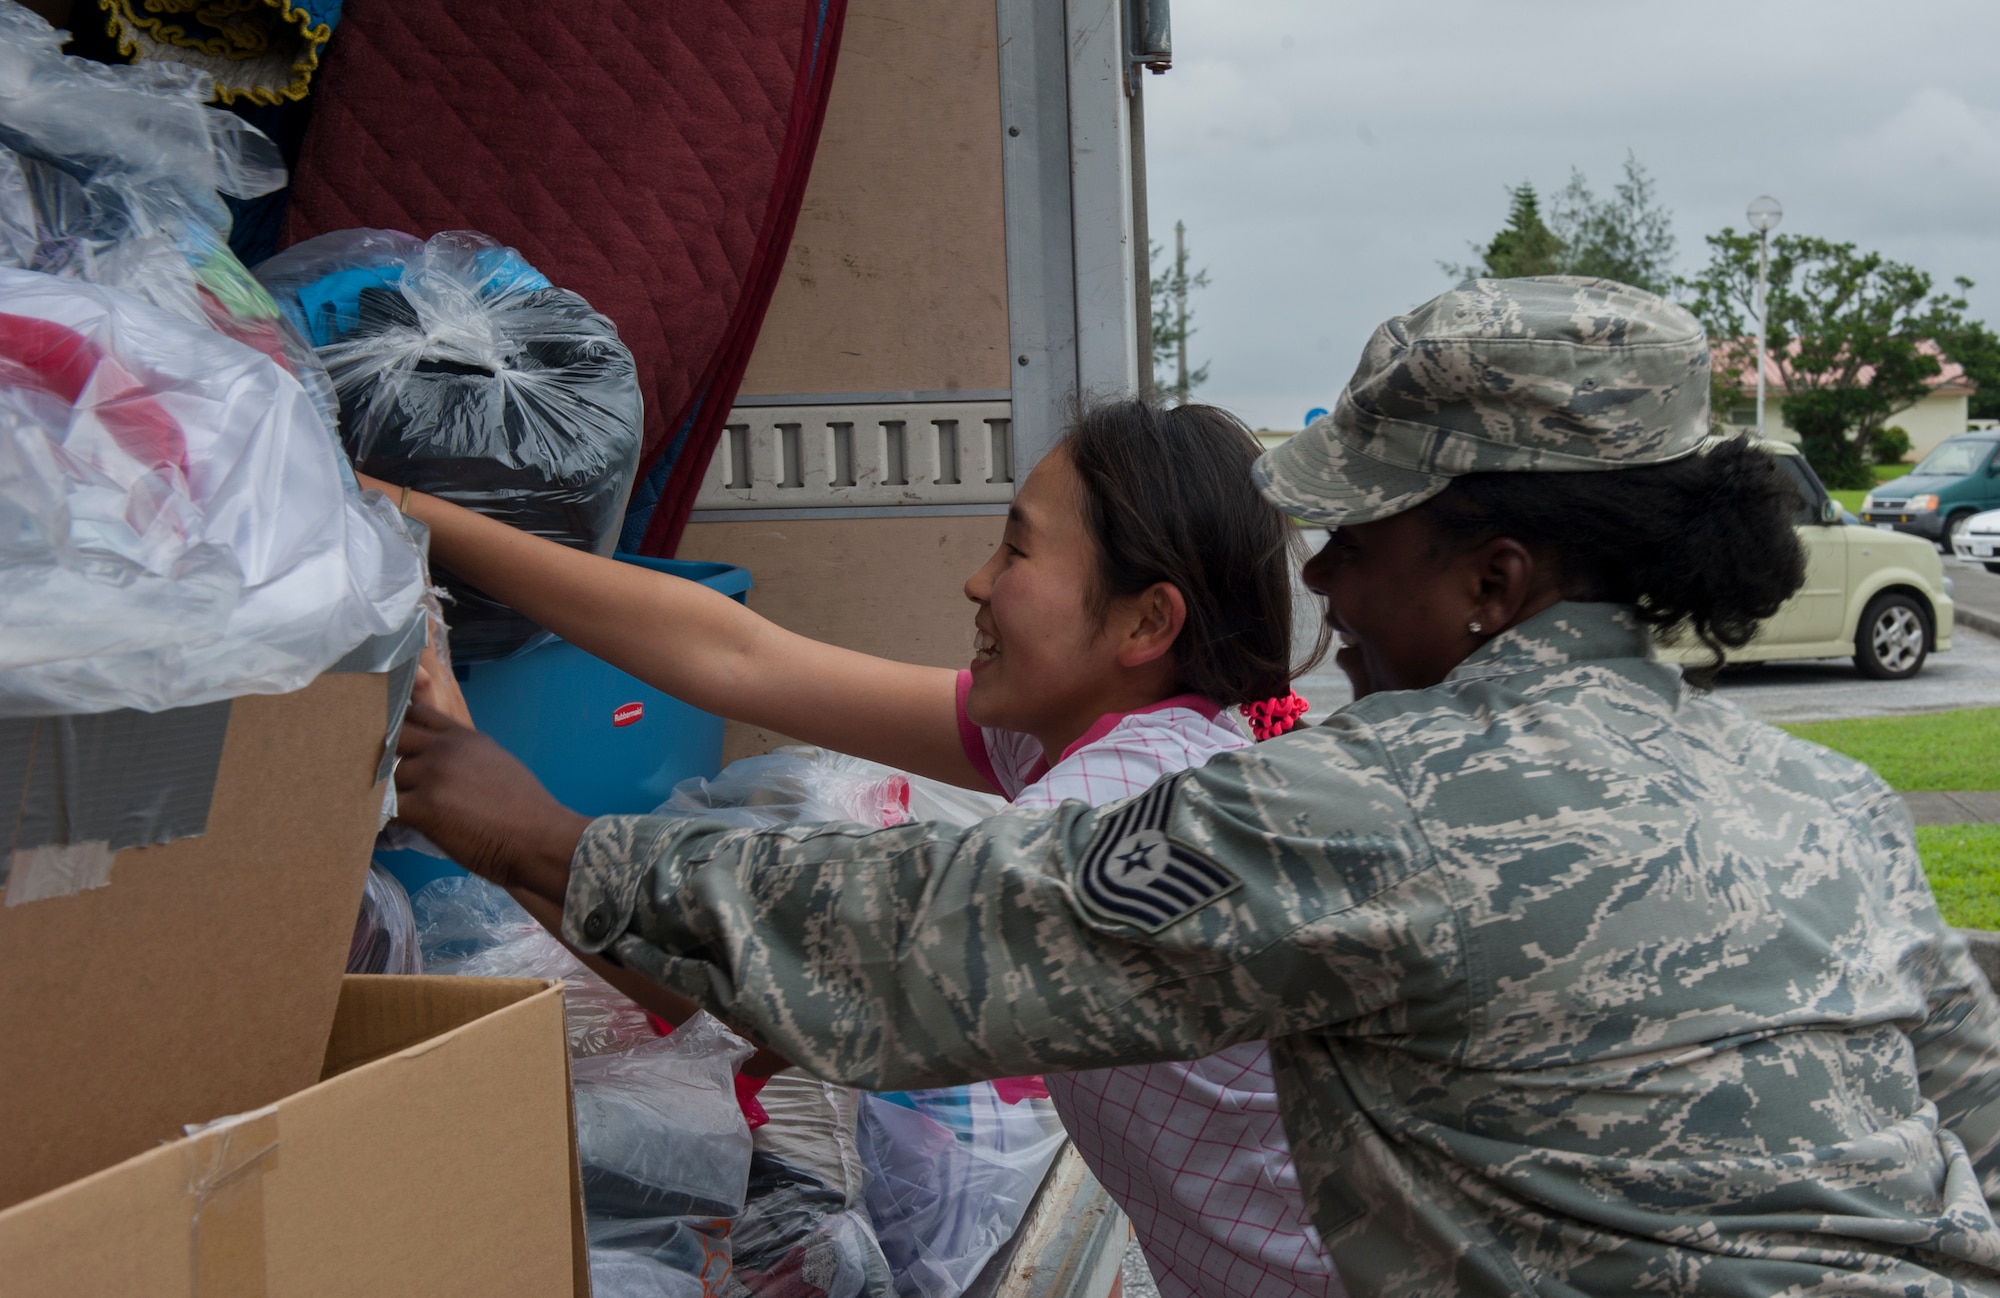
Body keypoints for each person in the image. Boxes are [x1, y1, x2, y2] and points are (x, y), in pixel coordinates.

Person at [393, 276, 2000, 1296]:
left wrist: (519, 821)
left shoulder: (1366, 806)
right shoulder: (1827, 797)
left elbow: (918, 944)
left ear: (1494, 579)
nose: (1330, 581)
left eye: (1360, 537)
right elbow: (1978, 1122)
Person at [372, 401, 1346, 1297]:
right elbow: (740, 657)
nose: (977, 579)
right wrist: (413, 515)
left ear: (1145, 620)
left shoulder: (1099, 825)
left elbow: (747, 1000)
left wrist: (514, 825)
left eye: (1015, 550)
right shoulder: (1150, 736)